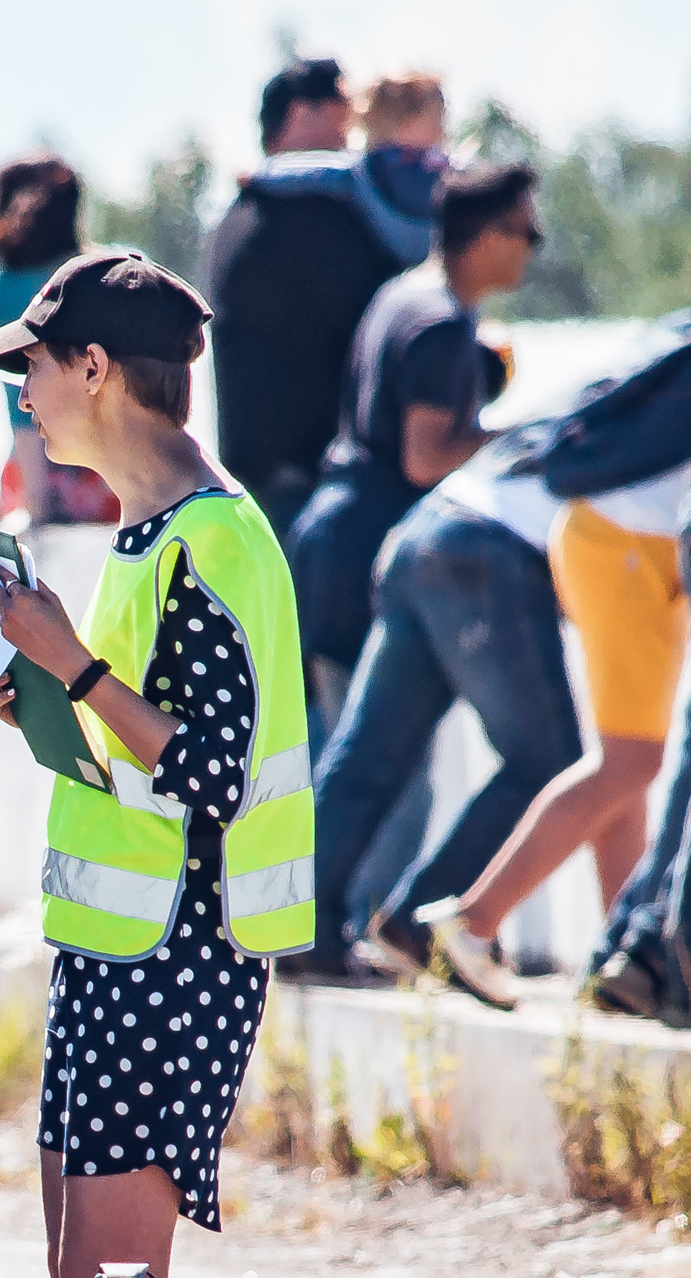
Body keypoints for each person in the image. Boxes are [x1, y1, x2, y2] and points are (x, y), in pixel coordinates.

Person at [0, 248, 314, 1278]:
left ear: (95, 369)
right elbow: (137, 759)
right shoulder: (148, 538)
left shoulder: (216, 545)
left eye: (28, 378)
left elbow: (214, 769)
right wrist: (45, 695)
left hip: (178, 962)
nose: (23, 408)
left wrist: (73, 665)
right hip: (120, 949)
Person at [405, 317, 691, 1002]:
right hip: (632, 543)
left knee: (627, 759)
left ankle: (616, 958)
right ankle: (472, 922)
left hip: (604, 531)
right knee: (630, 761)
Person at [282, 428, 583, 986]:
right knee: (553, 764)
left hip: (420, 531)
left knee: (367, 755)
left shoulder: (605, 394)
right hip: (482, 550)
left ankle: (298, 928)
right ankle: (420, 922)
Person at [286, 161, 540, 725]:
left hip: (331, 542)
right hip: (364, 557)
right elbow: (424, 460)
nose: (534, 247)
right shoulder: (442, 322)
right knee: (390, 791)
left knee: (343, 769)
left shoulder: (402, 294)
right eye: (528, 233)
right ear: (487, 237)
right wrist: (520, 441)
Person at [206, 62, 448, 542]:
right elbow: (389, 332)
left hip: (262, 477)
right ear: (303, 114)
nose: (354, 133)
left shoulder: (245, 209)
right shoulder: (307, 215)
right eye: (345, 114)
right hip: (311, 488)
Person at [582, 491, 691, 1020]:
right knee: (630, 760)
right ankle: (649, 947)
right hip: (625, 536)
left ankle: (637, 944)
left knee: (653, 761)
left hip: (662, 528)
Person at [0, 154, 111, 528]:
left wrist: (36, 503)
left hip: (38, 470)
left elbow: (20, 407)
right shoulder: (102, 273)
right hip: (109, 469)